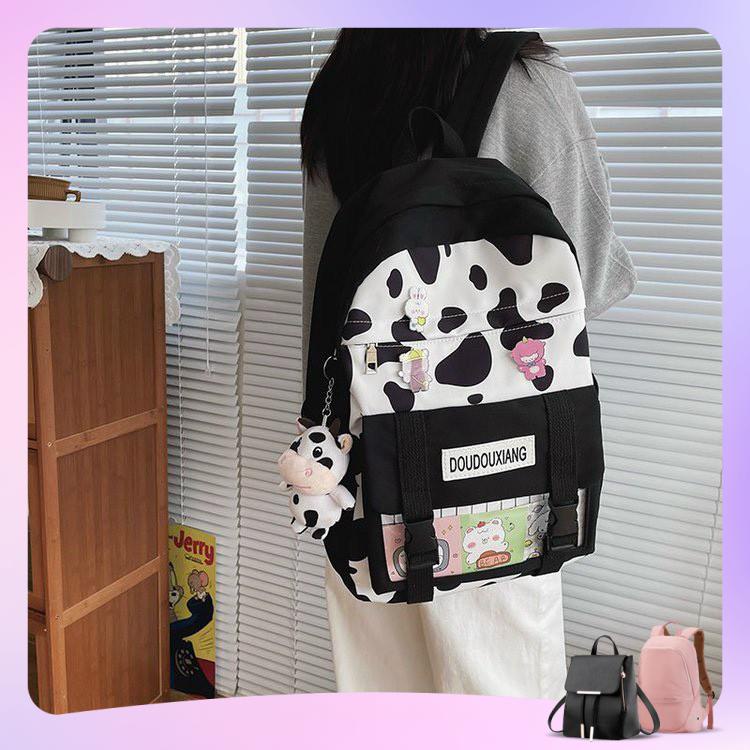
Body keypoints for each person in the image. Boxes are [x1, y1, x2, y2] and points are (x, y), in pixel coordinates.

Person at [299, 28, 635, 697]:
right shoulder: (527, 84)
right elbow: (588, 282)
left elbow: (325, 296)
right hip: (497, 473)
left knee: (381, 699)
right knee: (502, 699)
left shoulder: (340, 87)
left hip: (358, 461)